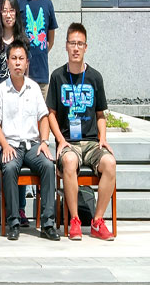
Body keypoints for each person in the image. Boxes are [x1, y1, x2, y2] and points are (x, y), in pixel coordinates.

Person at [47, 23, 116, 241]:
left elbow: (100, 114)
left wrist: (103, 138)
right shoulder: (57, 76)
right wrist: (60, 140)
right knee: (68, 161)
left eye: (80, 44)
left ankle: (97, 220)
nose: (76, 48)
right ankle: (75, 220)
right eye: (72, 43)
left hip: (92, 142)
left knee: (110, 163)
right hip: (69, 143)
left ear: (86, 47)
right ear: (66, 46)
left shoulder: (95, 77)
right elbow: (51, 114)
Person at [0, 41, 59, 241]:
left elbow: (43, 117)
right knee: (10, 167)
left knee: (48, 165)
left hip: (32, 145)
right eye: (14, 58)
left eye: (21, 59)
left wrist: (44, 142)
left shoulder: (34, 88)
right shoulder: (1, 90)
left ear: (27, 62)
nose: (17, 63)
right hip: (10, 144)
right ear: (8, 62)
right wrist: (4, 145)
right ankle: (13, 222)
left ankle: (48, 224)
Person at [17, 0, 58, 95]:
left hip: (41, 74)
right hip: (20, 75)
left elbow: (50, 40)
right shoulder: (17, 2)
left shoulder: (47, 4)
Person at [0, 0, 27, 87]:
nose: (8, 15)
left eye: (11, 10)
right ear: (0, 13)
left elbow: (26, 73)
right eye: (5, 11)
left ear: (16, 13)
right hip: (0, 90)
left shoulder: (23, 41)